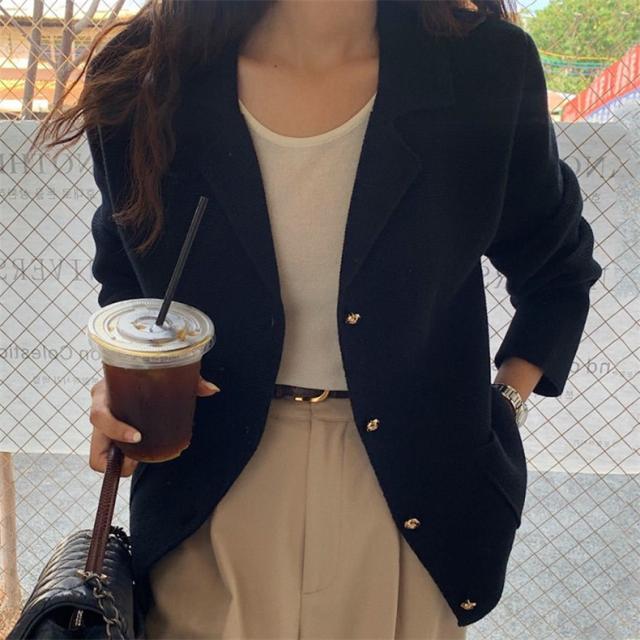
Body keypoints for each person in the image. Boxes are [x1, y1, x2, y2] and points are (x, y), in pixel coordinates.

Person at [34, 0, 603, 637]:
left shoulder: (485, 68)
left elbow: (557, 270)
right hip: (206, 490)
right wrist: (127, 382)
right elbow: (130, 280)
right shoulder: (146, 72)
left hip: (415, 496)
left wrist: (504, 404)